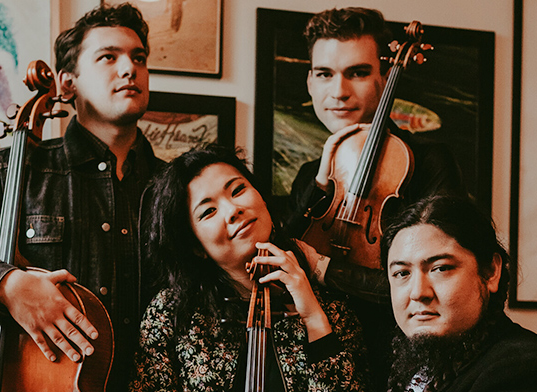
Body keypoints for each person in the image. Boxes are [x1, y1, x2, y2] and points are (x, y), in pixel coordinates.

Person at [0, 3, 162, 391]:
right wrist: (6, 285)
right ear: (67, 83)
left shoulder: (177, 186)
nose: (129, 68)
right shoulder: (10, 170)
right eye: (108, 57)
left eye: (138, 57)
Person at [284, 8, 467, 390]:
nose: (338, 92)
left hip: (399, 364)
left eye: (358, 72)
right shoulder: (311, 176)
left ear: (385, 79)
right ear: (309, 82)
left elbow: (438, 287)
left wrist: (325, 269)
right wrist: (318, 183)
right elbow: (285, 253)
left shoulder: (429, 162)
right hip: (321, 362)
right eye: (325, 74)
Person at [132, 145, 371, 392]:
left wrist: (313, 316)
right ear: (196, 246)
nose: (233, 210)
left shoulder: (328, 304)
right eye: (208, 211)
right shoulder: (171, 313)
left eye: (238, 190)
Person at [382, 195, 537, 392]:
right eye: (402, 273)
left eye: (441, 268)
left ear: (491, 273)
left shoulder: (527, 374)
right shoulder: (427, 363)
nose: (418, 292)